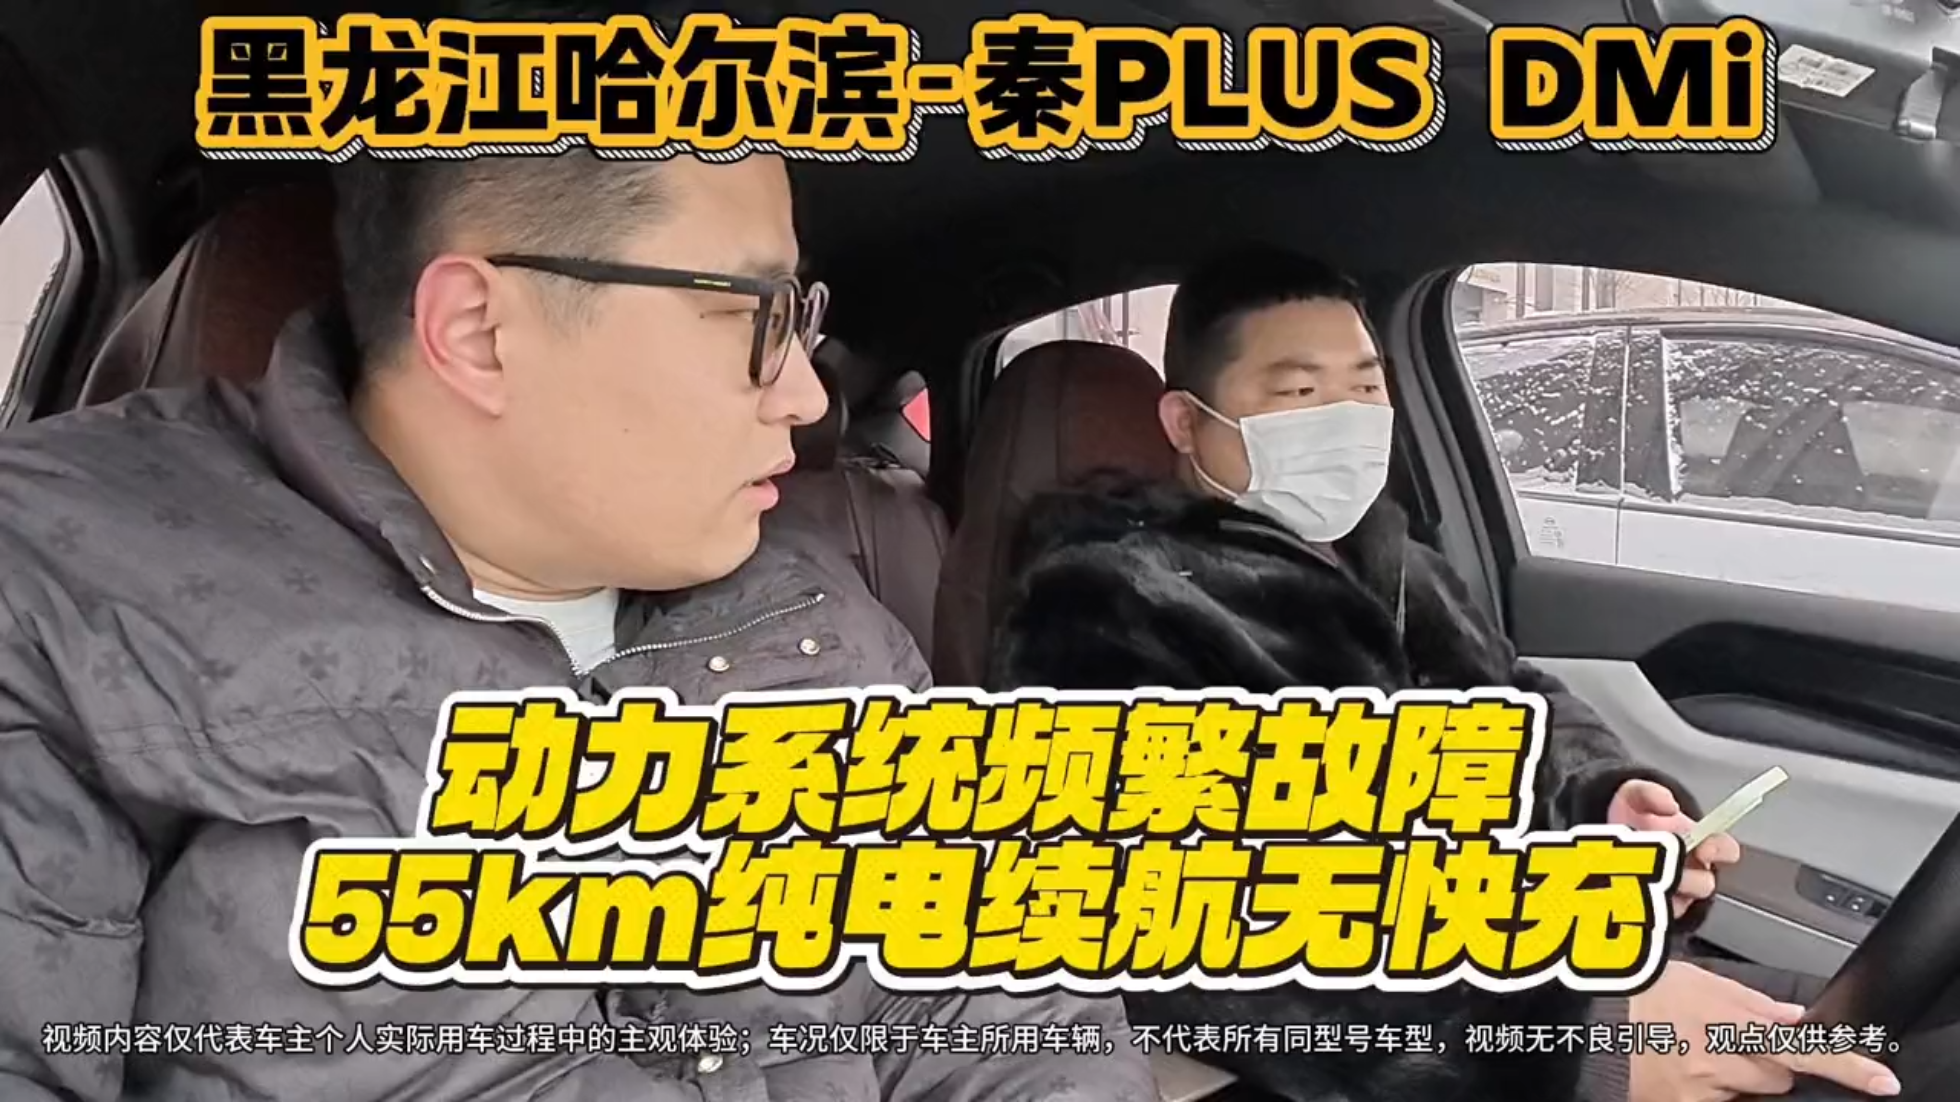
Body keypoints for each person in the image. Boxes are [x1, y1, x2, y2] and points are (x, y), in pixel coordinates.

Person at [0, 138, 1157, 1102]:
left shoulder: (819, 620)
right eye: (752, 314)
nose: (808, 394)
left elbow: (1017, 1018)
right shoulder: (72, 597)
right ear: (479, 331)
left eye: (802, 317)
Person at [985, 247, 1904, 1102]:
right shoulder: (1105, 609)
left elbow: (1522, 705)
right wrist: (1584, 1039)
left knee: (1897, 1031)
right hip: (1397, 1056)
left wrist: (1602, 805)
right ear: (1188, 422)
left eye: (1365, 385)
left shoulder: (1392, 563)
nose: (1346, 417)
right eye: (1300, 391)